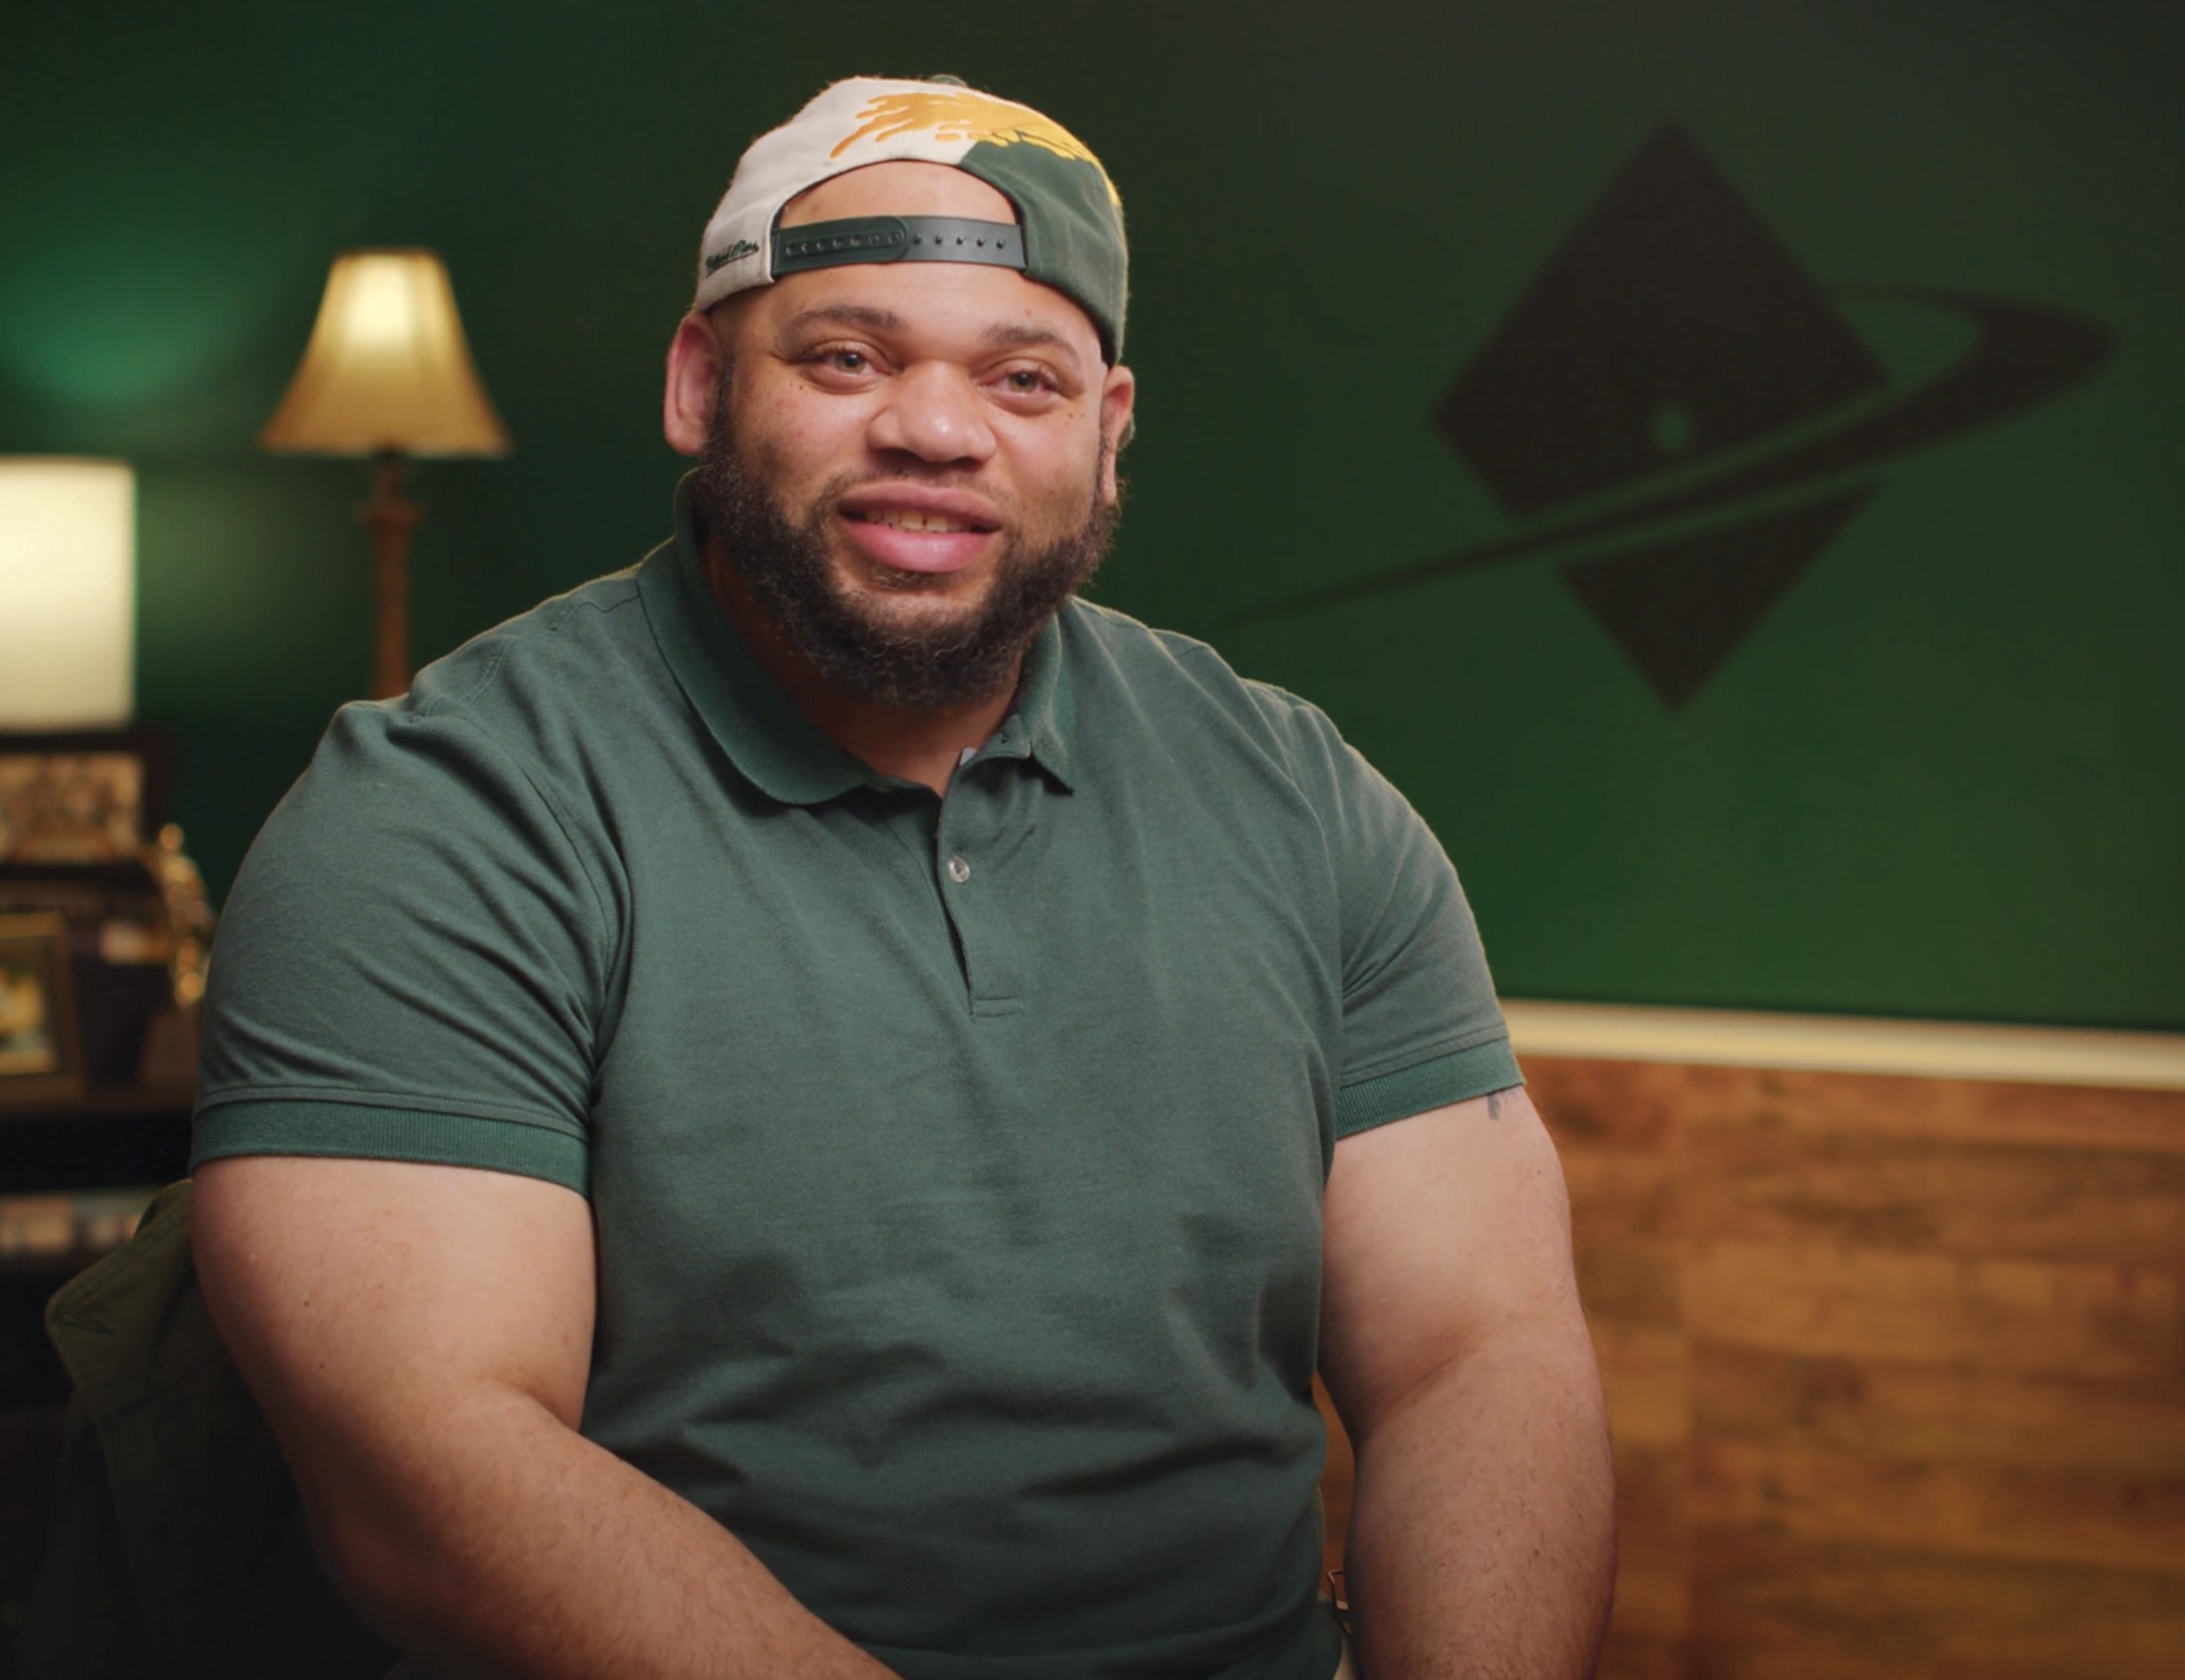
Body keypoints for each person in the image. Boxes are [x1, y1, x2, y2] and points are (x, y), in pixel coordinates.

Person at [188, 76, 1616, 1680]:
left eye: (1022, 376)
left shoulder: (1300, 796)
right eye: (848, 356)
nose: (936, 428)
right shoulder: (446, 812)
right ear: (699, 381)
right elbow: (431, 1476)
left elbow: (1474, 1359)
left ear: (1106, 429)